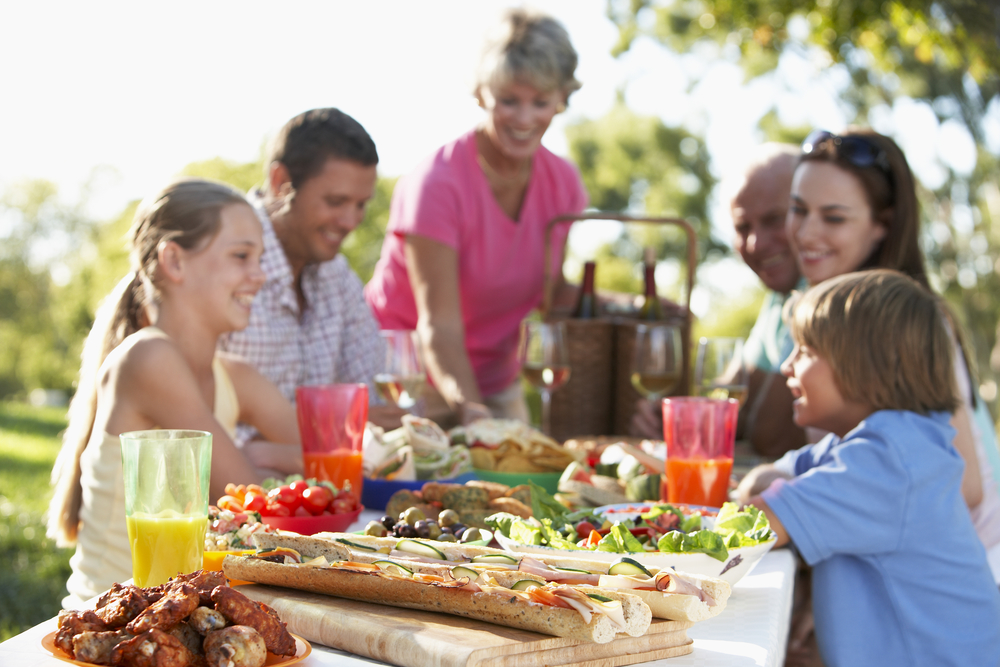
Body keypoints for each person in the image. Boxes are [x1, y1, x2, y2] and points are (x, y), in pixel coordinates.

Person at [46, 179, 300, 607]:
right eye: (241, 256)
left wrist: (264, 455)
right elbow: (260, 513)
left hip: (178, 615)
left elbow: (325, 465)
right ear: (174, 261)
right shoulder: (149, 359)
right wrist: (255, 462)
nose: (261, 275)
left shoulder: (233, 375)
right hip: (111, 624)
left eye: (260, 258)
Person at [744, 270, 1000, 667]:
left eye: (806, 351)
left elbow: (759, 520)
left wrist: (766, 487)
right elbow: (776, 480)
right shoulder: (872, 444)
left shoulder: (889, 463)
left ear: (868, 366)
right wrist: (769, 484)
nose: (786, 365)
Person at [781, 128, 1000, 580]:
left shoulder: (906, 325)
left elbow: (964, 486)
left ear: (883, 222)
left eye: (834, 218)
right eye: (798, 210)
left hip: (948, 592)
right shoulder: (821, 314)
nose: (805, 232)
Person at [364, 9, 588, 426]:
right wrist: (474, 415)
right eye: (509, 100)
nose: (523, 119)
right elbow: (439, 327)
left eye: (540, 102)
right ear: (482, 93)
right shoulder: (437, 184)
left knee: (522, 482)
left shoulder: (564, 184)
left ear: (562, 100)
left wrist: (633, 306)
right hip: (404, 377)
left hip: (494, 378)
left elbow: (550, 292)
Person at [219, 108, 400, 443]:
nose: (350, 221)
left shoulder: (337, 276)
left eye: (361, 205)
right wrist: (338, 425)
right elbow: (195, 429)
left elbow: (374, 400)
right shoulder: (218, 259)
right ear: (280, 183)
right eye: (335, 201)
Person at [631, 144, 807, 456]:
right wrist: (674, 420)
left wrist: (695, 422)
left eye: (774, 219)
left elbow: (773, 437)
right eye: (743, 227)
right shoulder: (780, 298)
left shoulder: (820, 295)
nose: (756, 243)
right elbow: (733, 398)